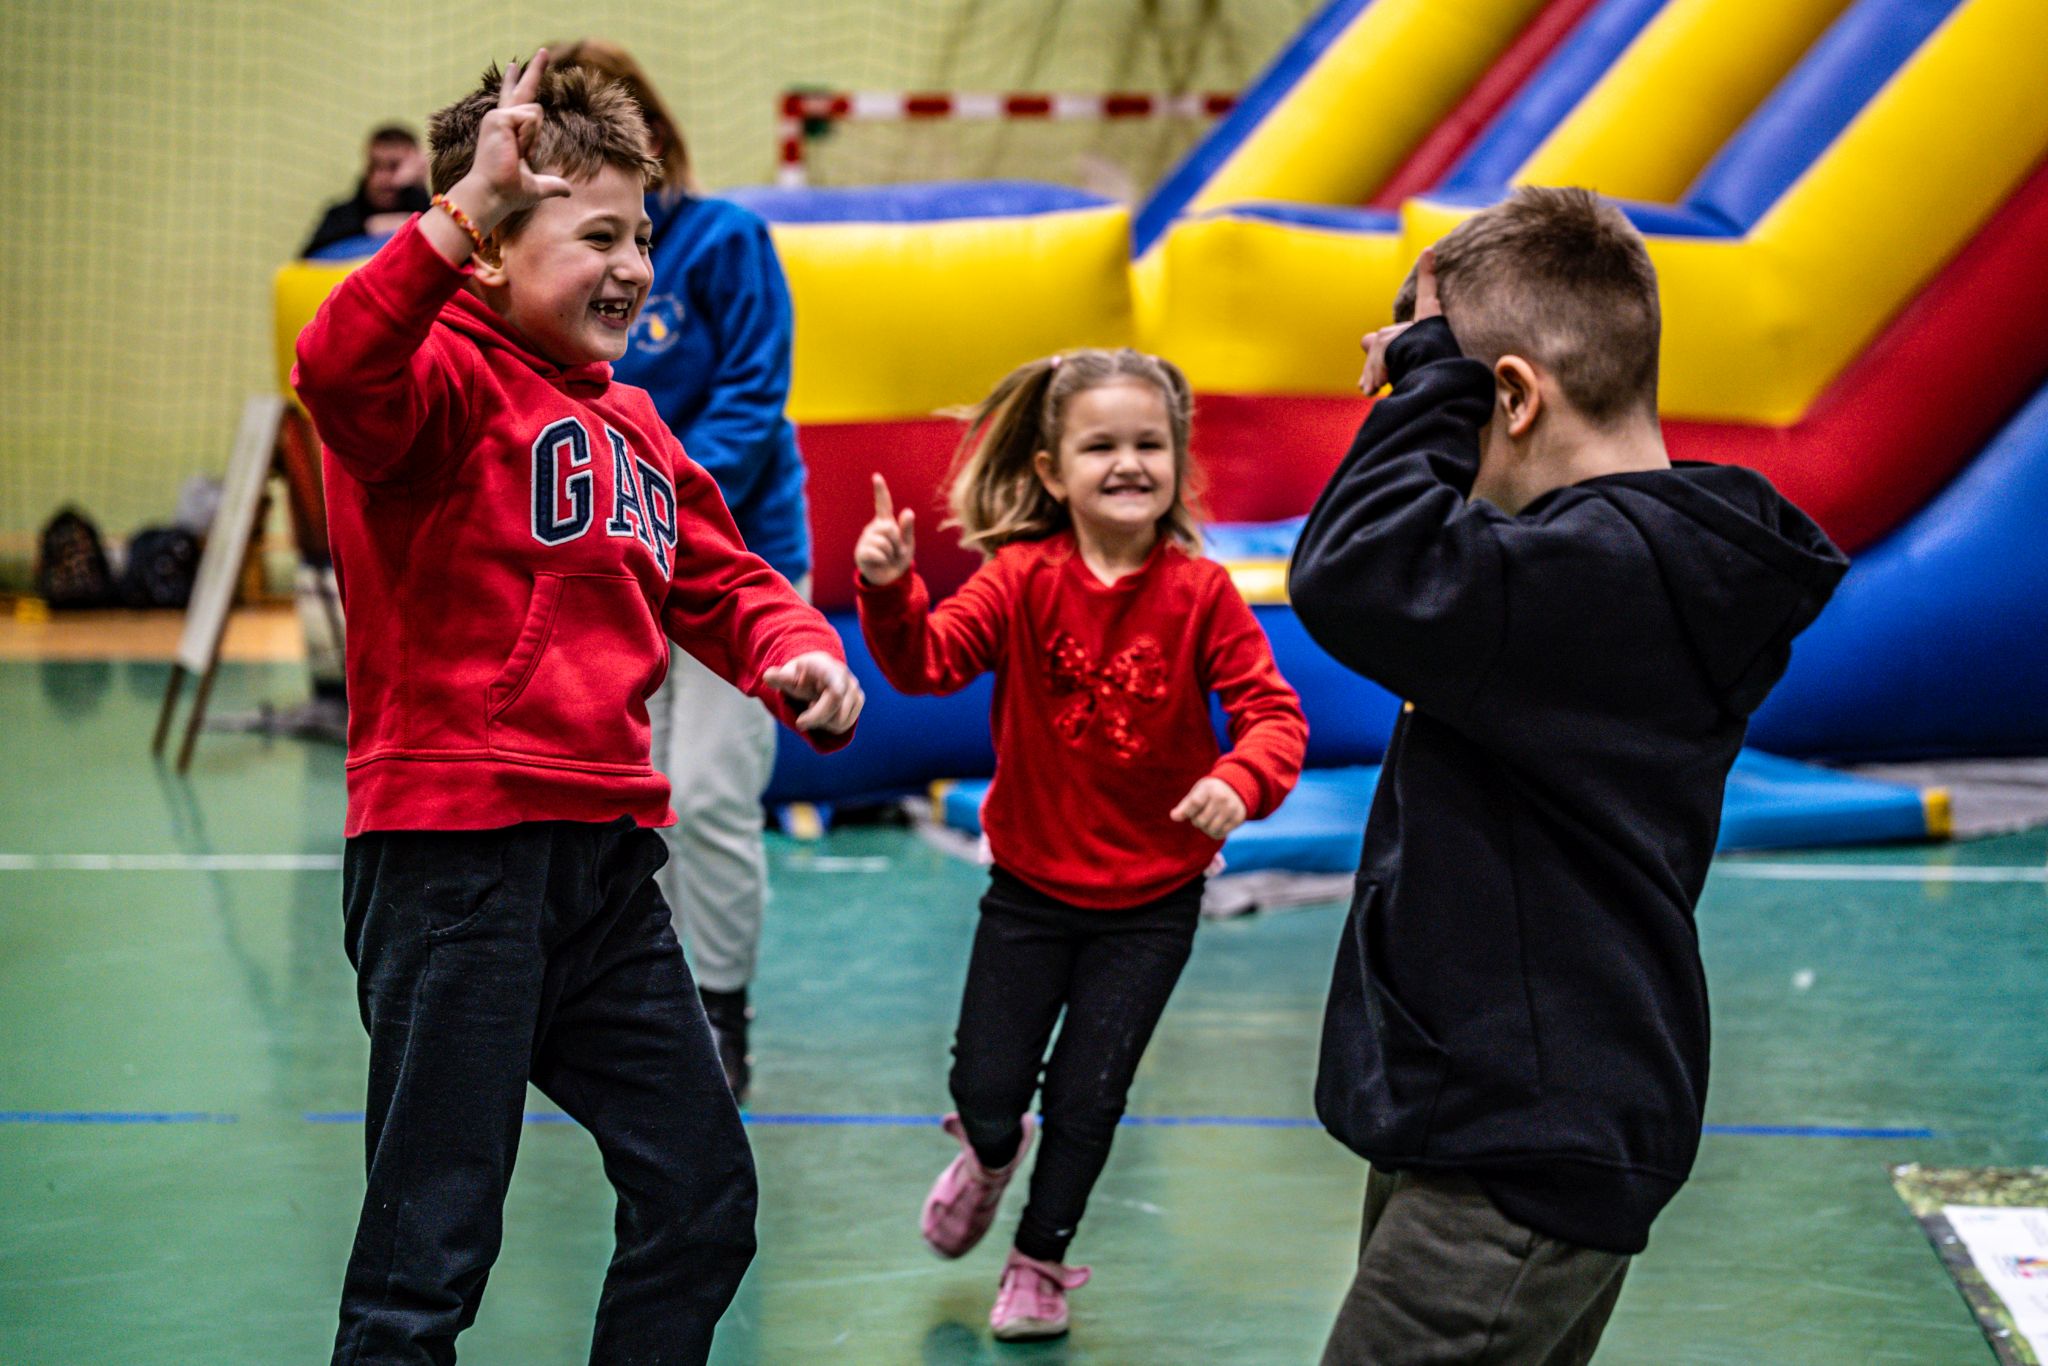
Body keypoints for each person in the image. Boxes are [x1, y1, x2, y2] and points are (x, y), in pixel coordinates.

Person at [291, 52, 863, 1365]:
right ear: (491, 246)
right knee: (429, 1255)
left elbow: (726, 579)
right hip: (456, 865)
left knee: (703, 1196)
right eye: (596, 236)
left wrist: (800, 652)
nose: (633, 268)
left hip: (604, 870)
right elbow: (337, 365)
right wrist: (459, 208)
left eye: (640, 238)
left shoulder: (639, 426)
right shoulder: (436, 387)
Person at [1289, 187, 1847, 1365]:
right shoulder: (1612, 567)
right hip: (1499, 1113)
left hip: (1521, 1143)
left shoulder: (1605, 574)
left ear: (1510, 396)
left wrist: (1427, 377)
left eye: (1452, 403)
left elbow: (1353, 570)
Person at [854, 348, 1308, 1341]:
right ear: (1052, 472)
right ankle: (987, 1152)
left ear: (1178, 462)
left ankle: (1038, 1261)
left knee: (1090, 1094)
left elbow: (1274, 715)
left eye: (1150, 444)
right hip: (1030, 887)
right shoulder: (1020, 579)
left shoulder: (1202, 593)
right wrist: (889, 590)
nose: (1128, 463)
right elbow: (928, 664)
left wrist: (1239, 780)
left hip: (1153, 900)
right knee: (986, 1084)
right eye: (1100, 446)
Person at [555, 38, 813, 1100]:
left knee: (708, 792)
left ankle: (722, 1008)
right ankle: (645, 1009)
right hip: (606, 573)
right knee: (631, 804)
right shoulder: (549, 264)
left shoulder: (722, 241)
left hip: (729, 559)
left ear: (654, 139)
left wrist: (648, 496)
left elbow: (753, 393)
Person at [302, 124, 432, 256]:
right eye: (375, 166)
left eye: (393, 166)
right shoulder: (339, 216)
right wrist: (366, 227)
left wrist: (416, 187)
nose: (381, 177)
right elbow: (308, 261)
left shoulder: (429, 213)